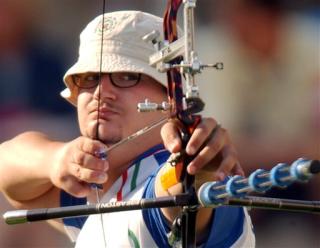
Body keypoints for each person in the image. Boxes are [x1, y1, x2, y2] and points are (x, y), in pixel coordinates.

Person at [0, 11, 255, 247]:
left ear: (172, 99)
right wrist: (57, 159)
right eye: (90, 78)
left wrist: (200, 160)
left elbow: (179, 190)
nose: (101, 92)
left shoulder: (160, 179)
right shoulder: (96, 189)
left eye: (126, 76)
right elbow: (8, 165)